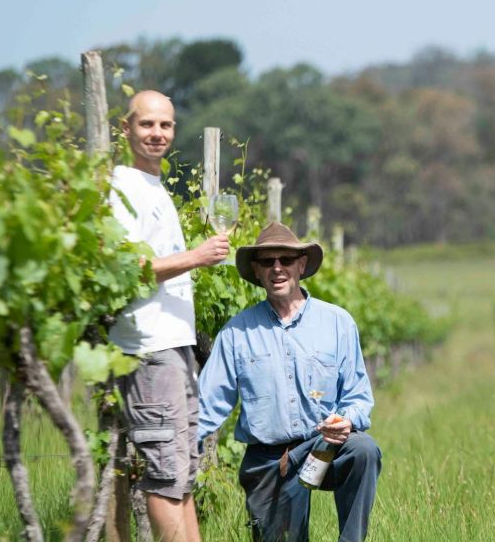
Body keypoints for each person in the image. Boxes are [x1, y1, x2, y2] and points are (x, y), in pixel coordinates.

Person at [198, 222, 381, 542]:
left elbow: (357, 396)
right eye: (268, 261)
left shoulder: (337, 323)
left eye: (285, 259)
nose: (277, 268)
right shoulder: (236, 334)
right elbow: (207, 404)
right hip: (269, 459)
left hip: (324, 448)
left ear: (302, 264)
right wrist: (176, 447)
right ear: (256, 271)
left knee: (363, 450)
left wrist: (346, 420)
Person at [109, 90, 229, 542]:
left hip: (173, 347)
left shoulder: (153, 187)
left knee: (182, 470)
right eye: (147, 124)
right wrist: (195, 257)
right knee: (165, 473)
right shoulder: (121, 187)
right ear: (126, 129)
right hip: (149, 346)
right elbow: (125, 271)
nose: (157, 133)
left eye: (166, 125)